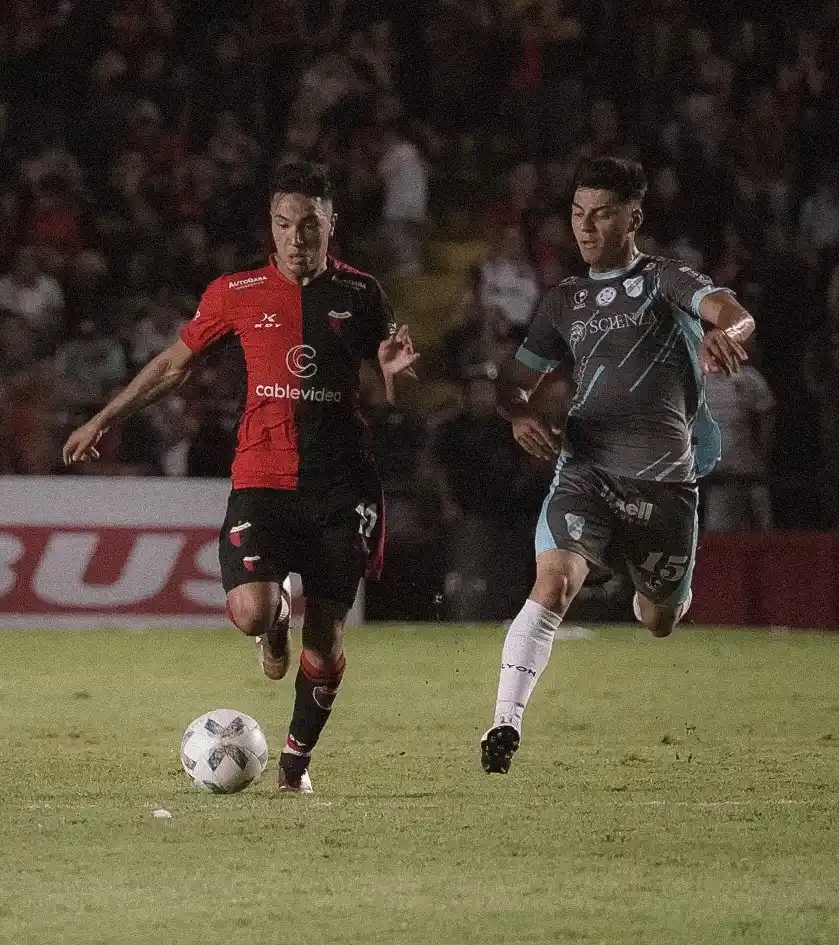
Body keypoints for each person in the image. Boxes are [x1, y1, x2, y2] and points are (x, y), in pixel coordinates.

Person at [62, 161, 419, 794]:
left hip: (342, 485)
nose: (296, 238)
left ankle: (293, 766)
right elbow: (175, 364)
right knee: (251, 614)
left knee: (329, 634)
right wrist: (103, 419)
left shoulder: (363, 296)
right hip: (262, 474)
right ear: (271, 227)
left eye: (309, 225)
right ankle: (273, 619)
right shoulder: (238, 290)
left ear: (331, 224)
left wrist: (392, 375)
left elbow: (389, 399)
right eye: (284, 224)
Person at [481, 156, 755, 775]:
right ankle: (504, 724)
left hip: (664, 486)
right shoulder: (564, 301)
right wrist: (517, 414)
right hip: (587, 470)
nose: (585, 227)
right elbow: (514, 381)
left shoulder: (664, 279)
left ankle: (632, 578)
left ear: (633, 216)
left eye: (600, 213)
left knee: (658, 620)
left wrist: (727, 335)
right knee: (552, 583)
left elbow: (734, 312)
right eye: (578, 213)